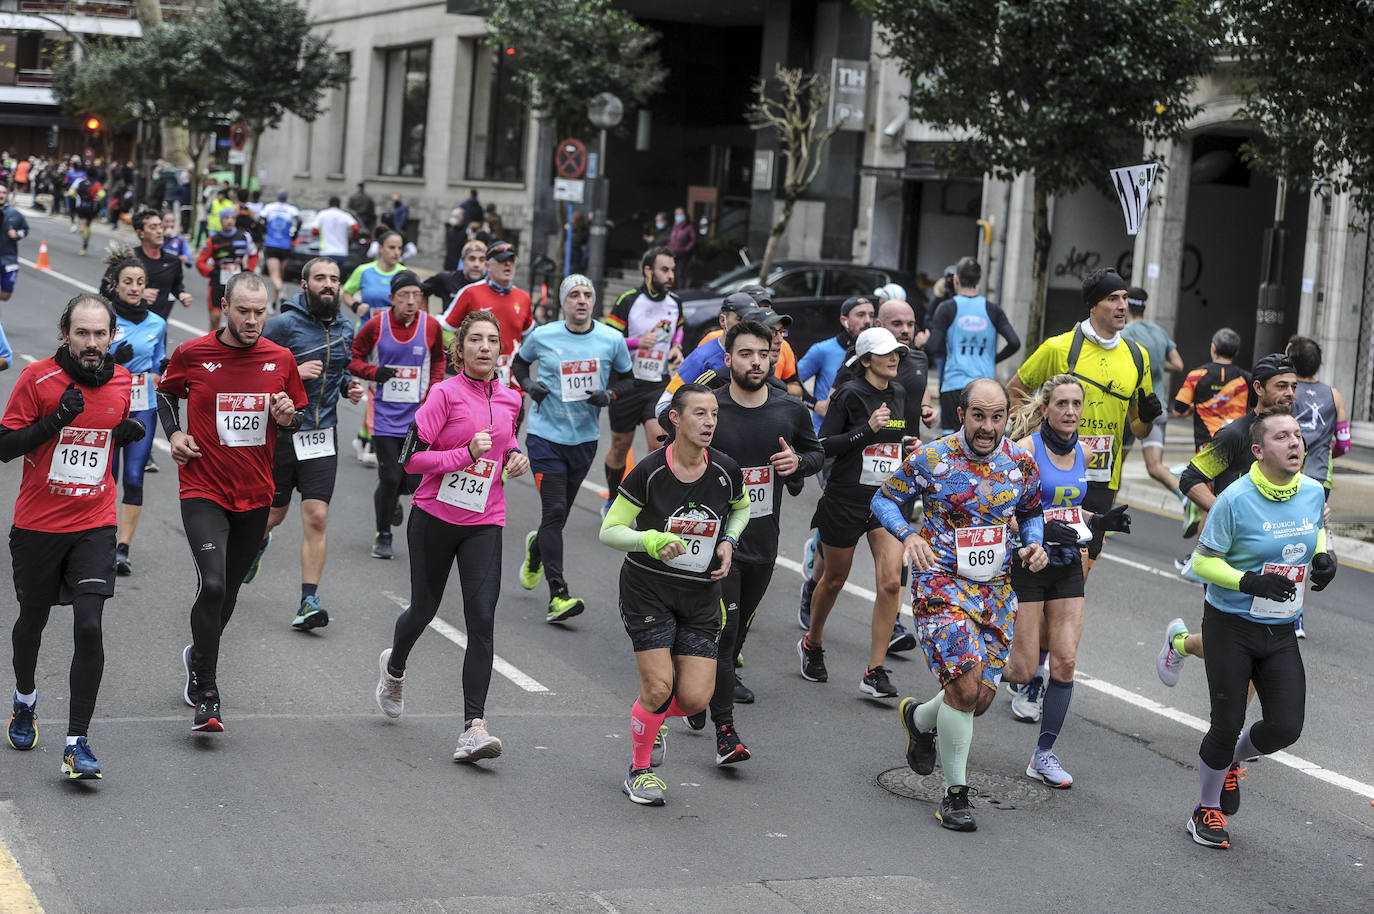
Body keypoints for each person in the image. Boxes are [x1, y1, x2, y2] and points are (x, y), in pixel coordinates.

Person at [874, 378, 1048, 832]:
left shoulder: (1020, 463)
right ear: (962, 415)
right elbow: (884, 498)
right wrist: (909, 534)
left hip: (997, 590)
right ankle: (955, 795)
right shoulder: (932, 458)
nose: (987, 427)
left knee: (978, 700)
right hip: (941, 584)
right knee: (966, 689)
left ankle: (918, 717)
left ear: (1007, 418)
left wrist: (1034, 544)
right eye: (979, 416)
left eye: (996, 418)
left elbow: (1031, 513)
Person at [372, 310, 529, 764]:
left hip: (485, 519)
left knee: (481, 618)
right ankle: (394, 666)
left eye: (492, 341)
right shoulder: (443, 394)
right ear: (459, 350)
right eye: (475, 340)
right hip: (434, 517)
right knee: (424, 607)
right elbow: (410, 461)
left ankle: (472, 728)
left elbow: (505, 443)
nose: (485, 347)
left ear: (501, 350)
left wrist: (514, 457)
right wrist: (462, 455)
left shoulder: (511, 399)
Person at [156, 272, 307, 732]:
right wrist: (176, 433)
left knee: (232, 591)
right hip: (202, 488)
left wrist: (288, 417)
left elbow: (296, 415)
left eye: (261, 312)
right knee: (215, 585)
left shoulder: (280, 359)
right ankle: (208, 692)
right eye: (243, 310)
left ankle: (197, 655)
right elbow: (165, 393)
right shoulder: (194, 353)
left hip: (254, 493)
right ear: (224, 306)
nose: (253, 320)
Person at [1, 294, 141, 779]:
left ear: (112, 336)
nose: (91, 342)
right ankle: (24, 699)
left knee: (89, 624)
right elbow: (4, 447)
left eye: (100, 333)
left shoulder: (122, 379)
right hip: (39, 525)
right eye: (82, 333)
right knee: (32, 620)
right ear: (65, 333)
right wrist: (55, 421)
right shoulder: (36, 378)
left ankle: (77, 742)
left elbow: (109, 426)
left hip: (95, 520)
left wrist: (122, 430)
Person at [1181, 409, 1334, 850]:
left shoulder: (1311, 491)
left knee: (1286, 726)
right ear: (1259, 450)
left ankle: (1231, 762)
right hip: (1231, 623)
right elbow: (1202, 562)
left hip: (1281, 627)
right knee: (1226, 722)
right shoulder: (1235, 498)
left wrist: (1323, 556)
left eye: (1298, 436)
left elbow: (1315, 531)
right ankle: (1204, 810)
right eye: (1282, 436)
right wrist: (1248, 580)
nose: (1295, 443)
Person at [599, 383, 748, 805]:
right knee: (659, 686)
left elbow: (740, 507)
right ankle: (640, 770)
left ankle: (652, 716)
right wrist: (651, 540)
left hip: (701, 593)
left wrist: (729, 541)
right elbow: (609, 530)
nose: (709, 422)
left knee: (695, 697)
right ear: (675, 419)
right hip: (648, 590)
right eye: (699, 414)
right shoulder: (649, 471)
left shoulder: (725, 469)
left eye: (714, 414)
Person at [703, 321, 824, 760]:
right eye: (746, 354)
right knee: (725, 627)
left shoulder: (788, 410)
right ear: (728, 358)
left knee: (736, 634)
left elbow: (815, 452)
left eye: (763, 354)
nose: (756, 361)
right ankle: (725, 732)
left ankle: (701, 691)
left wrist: (797, 462)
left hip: (762, 540)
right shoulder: (709, 408)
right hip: (716, 541)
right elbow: (671, 439)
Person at [1002, 375, 1132, 781]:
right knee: (1022, 671)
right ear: (1045, 409)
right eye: (1062, 404)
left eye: (1077, 404)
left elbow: (1071, 509)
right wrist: (1037, 531)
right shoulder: (1025, 452)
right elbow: (1003, 512)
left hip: (1066, 565)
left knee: (1065, 661)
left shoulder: (1085, 453)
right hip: (1028, 564)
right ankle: (954, 691)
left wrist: (1100, 520)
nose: (1071, 412)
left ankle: (1043, 755)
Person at [1161, 353, 1300, 682]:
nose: (1290, 393)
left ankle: (1232, 728)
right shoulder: (1235, 435)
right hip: (1230, 554)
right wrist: (1224, 510)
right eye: (1281, 386)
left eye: (1294, 386)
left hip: (1274, 554)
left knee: (1260, 646)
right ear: (1258, 389)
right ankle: (1180, 644)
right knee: (1233, 646)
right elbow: (1190, 478)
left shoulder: (1292, 436)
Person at [249, 258, 364, 630]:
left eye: (333, 279)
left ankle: (308, 601)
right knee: (273, 515)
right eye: (320, 278)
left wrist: (348, 386)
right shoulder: (282, 325)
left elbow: (341, 369)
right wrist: (293, 373)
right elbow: (252, 369)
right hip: (282, 436)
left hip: (321, 436)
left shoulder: (346, 328)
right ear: (304, 284)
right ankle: (255, 545)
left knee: (316, 516)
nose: (328, 284)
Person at [512, 275, 634, 618]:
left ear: (594, 302)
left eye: (587, 295)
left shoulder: (612, 340)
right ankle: (558, 594)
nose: (581, 300)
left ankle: (537, 548)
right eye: (574, 295)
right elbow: (519, 363)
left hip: (583, 441)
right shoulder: (544, 335)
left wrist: (609, 395)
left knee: (559, 516)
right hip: (544, 437)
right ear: (564, 302)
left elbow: (628, 379)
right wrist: (529, 386)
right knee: (552, 512)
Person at [798, 327, 909, 698]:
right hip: (845, 498)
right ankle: (812, 643)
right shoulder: (848, 394)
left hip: (885, 500)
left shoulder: (899, 393)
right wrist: (867, 430)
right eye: (885, 353)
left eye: (897, 352)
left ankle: (874, 671)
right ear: (865, 361)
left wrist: (908, 445)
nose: (894, 358)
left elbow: (891, 444)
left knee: (891, 582)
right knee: (834, 579)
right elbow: (824, 445)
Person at [349, 269, 446, 558]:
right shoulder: (376, 326)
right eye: (405, 295)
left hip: (418, 418)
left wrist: (434, 391)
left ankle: (391, 501)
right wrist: (374, 372)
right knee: (390, 476)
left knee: (413, 481)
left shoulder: (430, 326)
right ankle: (383, 534)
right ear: (392, 298)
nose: (411, 300)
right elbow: (354, 359)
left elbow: (439, 360)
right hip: (383, 416)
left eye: (417, 295)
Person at [101, 249, 166, 576]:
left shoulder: (158, 322)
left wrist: (161, 371)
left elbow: (158, 362)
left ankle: (123, 547)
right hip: (109, 405)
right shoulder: (106, 318)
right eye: (128, 282)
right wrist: (114, 361)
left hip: (143, 406)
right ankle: (102, 540)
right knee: (107, 478)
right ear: (115, 285)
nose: (134, 287)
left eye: (140, 282)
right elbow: (89, 361)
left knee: (133, 478)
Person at [603, 247, 683, 511]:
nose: (670, 275)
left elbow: (678, 329)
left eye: (672, 269)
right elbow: (609, 341)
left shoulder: (675, 302)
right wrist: (638, 342)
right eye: (664, 269)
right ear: (648, 271)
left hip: (657, 385)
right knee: (620, 447)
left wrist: (676, 348)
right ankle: (614, 499)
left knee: (658, 441)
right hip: (627, 383)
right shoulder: (628, 300)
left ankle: (646, 502)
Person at [1171, 328, 1251, 536]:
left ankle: (1199, 556)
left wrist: (1196, 407)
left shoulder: (1197, 375)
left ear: (1213, 348)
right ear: (1235, 352)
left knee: (1210, 502)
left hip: (1208, 447)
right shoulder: (1246, 379)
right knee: (1226, 497)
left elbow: (1178, 409)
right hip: (1239, 445)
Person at [927, 257, 1020, 432]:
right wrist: (992, 359)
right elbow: (1014, 343)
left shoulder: (946, 308)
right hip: (984, 388)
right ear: (979, 280)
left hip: (954, 385)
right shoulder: (993, 310)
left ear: (956, 279)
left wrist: (924, 343)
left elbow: (932, 347)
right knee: (981, 438)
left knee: (951, 443)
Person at [440, 240, 532, 391]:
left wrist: (520, 361)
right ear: (488, 265)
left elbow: (529, 335)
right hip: (475, 385)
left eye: (512, 260)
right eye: (502, 261)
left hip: (512, 387)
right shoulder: (470, 292)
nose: (508, 265)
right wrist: (464, 354)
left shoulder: (523, 297)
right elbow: (445, 329)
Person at [1119, 286, 1185, 496]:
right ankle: (1187, 497)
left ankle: (1106, 513)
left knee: (1115, 465)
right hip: (1158, 409)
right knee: (1155, 467)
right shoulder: (1159, 331)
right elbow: (1177, 364)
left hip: (1133, 412)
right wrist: (1154, 364)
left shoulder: (1125, 333)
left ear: (1126, 305)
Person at [1286, 335, 1349, 498]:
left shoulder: (1285, 393)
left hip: (1286, 473)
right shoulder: (1335, 395)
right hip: (1320, 476)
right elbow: (1344, 444)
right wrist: (1326, 452)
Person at [196, 207, 259, 333]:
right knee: (215, 318)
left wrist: (249, 269)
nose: (230, 221)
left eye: (232, 218)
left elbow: (254, 254)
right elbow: (200, 262)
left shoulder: (244, 238)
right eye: (226, 218)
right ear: (221, 221)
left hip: (238, 284)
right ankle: (213, 346)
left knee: (239, 318)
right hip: (218, 282)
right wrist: (210, 273)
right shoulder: (213, 240)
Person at [134, 208, 193, 320]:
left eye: (160, 226)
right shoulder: (129, 259)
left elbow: (176, 285)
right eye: (153, 227)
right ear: (140, 233)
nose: (160, 231)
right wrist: (138, 294)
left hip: (158, 326)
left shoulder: (173, 261)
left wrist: (182, 294)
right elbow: (107, 291)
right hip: (132, 324)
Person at [342, 229, 407, 322]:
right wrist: (356, 306)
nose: (397, 252)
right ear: (380, 248)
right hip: (367, 330)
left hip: (395, 332)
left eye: (400, 248)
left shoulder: (405, 274)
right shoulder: (363, 270)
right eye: (392, 247)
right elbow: (346, 294)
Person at [260, 190, 300, 307]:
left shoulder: (269, 207)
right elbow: (299, 221)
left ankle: (281, 291)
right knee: (279, 275)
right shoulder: (292, 209)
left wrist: (264, 231)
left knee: (274, 275)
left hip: (272, 243)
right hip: (285, 245)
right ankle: (274, 302)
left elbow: (260, 220)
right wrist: (294, 234)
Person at [0, 183, 30, 301]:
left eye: (3, 193)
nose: (1, 195)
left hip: (9, 259)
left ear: (7, 195)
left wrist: (17, 235)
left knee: (6, 296)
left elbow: (25, 229)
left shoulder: (15, 214)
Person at [315, 196, 359, 271]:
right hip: (341, 252)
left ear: (329, 204)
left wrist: (320, 234)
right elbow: (355, 228)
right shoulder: (345, 215)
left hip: (326, 251)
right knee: (336, 275)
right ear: (339, 204)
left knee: (326, 274)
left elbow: (314, 230)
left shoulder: (322, 214)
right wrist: (351, 238)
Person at [667, 206, 696, 286]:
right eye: (677, 214)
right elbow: (670, 240)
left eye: (680, 214)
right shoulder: (674, 227)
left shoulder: (689, 227)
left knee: (680, 274)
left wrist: (686, 249)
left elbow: (693, 240)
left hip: (683, 255)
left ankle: (681, 293)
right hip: (672, 254)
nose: (678, 216)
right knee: (672, 274)